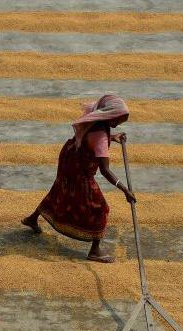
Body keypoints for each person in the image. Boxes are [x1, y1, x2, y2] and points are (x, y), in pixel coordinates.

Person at [22, 94, 137, 263]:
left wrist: (112, 137)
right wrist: (125, 189)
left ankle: (32, 219)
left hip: (70, 156)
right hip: (78, 169)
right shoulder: (100, 136)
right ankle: (95, 250)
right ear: (110, 114)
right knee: (99, 207)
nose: (118, 123)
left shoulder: (94, 118)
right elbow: (105, 170)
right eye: (119, 119)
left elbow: (90, 137)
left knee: (60, 189)